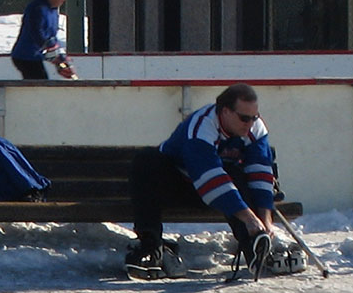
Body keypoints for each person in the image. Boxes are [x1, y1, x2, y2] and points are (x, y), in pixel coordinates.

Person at [125, 83, 303, 279]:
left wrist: (265, 220)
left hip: (221, 190)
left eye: (254, 117)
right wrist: (249, 218)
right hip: (182, 185)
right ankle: (151, 246)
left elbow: (260, 173)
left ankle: (255, 246)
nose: (250, 123)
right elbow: (209, 177)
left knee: (237, 174)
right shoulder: (202, 126)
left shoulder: (255, 129)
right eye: (244, 118)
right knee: (146, 160)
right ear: (225, 112)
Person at [10, 0, 76, 80]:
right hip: (25, 56)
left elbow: (51, 36)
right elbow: (37, 33)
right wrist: (52, 50)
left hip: (36, 55)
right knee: (40, 82)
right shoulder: (38, 8)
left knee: (41, 82)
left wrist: (60, 58)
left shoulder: (53, 10)